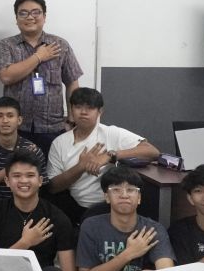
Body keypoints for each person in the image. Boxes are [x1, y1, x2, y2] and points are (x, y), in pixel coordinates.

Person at [47, 88, 160, 224]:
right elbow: (53, 187)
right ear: (71, 109)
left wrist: (110, 156)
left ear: (100, 111)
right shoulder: (59, 143)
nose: (83, 112)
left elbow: (153, 152)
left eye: (90, 108)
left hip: (109, 206)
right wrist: (81, 167)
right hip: (73, 206)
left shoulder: (111, 133)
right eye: (78, 107)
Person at [0, 149, 77, 271]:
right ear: (7, 181)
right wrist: (25, 242)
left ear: (40, 180)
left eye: (30, 175)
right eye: (17, 176)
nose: (23, 181)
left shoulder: (57, 217)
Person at [0, 0, 84, 156]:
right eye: (23, 13)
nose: (30, 17)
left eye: (36, 12)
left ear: (44, 16)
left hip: (52, 126)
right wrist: (39, 57)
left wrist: (72, 119)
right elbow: (6, 76)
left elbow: (72, 82)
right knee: (18, 170)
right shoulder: (7, 45)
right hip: (17, 128)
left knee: (53, 171)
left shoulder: (60, 45)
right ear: (16, 19)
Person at [76, 166, 175, 271]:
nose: (124, 195)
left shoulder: (153, 229)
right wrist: (128, 254)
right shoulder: (91, 226)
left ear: (139, 198)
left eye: (130, 190)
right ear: (107, 197)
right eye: (116, 190)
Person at [0, 97, 47, 211]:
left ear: (19, 120)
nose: (5, 120)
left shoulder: (32, 150)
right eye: (0, 116)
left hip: (24, 209)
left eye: (10, 116)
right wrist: (15, 161)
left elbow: (40, 186)